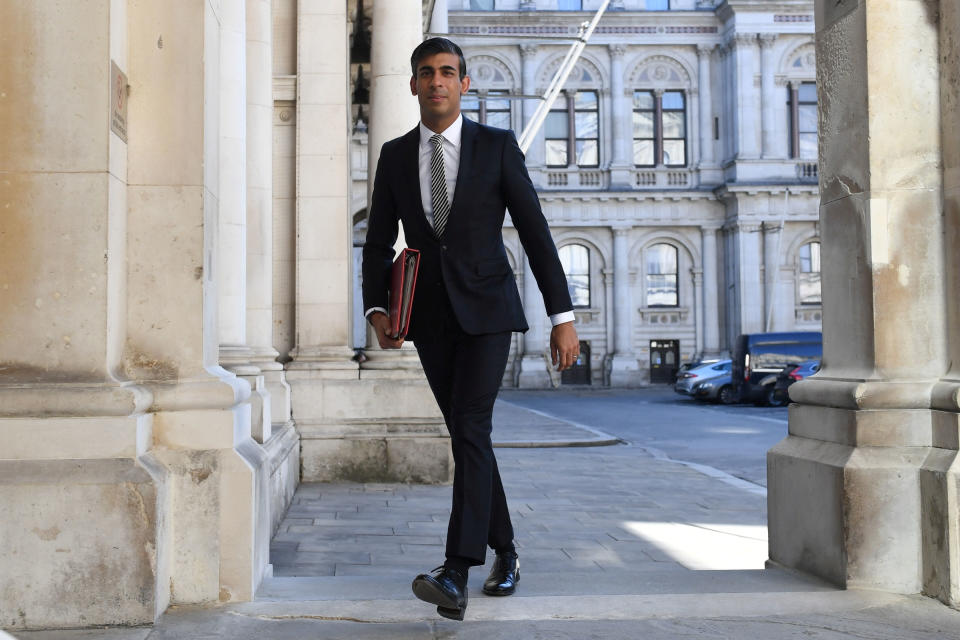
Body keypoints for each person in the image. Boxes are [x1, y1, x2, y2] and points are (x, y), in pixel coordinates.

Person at [361, 37, 579, 621]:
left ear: (464, 84)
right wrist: (375, 308)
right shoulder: (395, 154)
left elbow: (535, 233)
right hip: (427, 319)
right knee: (467, 436)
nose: (437, 82)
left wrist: (563, 318)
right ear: (412, 84)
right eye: (427, 73)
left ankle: (456, 572)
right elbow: (379, 241)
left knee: (472, 426)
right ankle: (506, 550)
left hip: (488, 312)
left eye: (448, 73)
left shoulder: (497, 147)